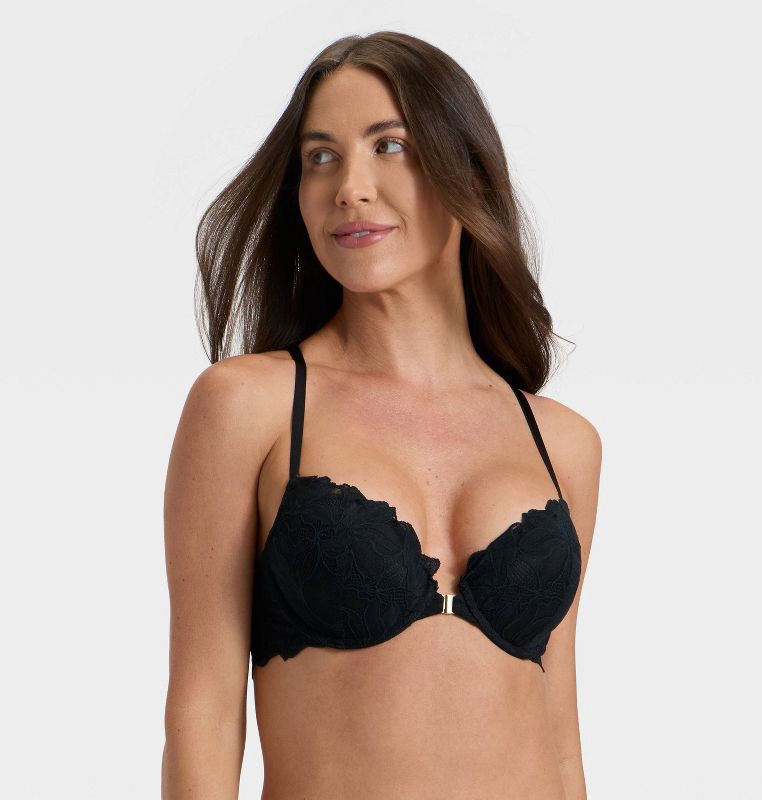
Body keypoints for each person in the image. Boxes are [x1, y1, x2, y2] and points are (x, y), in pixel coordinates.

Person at [162, 30, 601, 800]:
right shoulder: (250, 408)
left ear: (465, 170)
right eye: (320, 157)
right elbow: (203, 713)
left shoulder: (562, 442)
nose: (350, 187)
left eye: (389, 146)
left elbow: (560, 736)